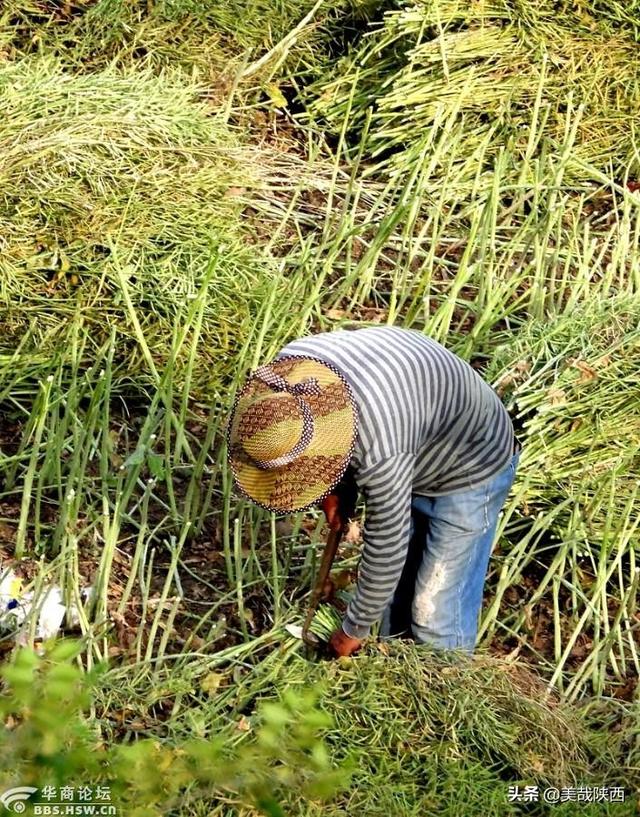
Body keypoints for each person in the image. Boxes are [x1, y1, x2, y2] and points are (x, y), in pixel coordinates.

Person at [226, 325, 520, 658]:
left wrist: (352, 630)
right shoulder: (284, 380)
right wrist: (334, 491)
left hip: (472, 461)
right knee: (395, 603)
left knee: (433, 615)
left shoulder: (380, 451)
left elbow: (387, 545)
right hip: (415, 426)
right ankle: (400, 671)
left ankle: (448, 683)